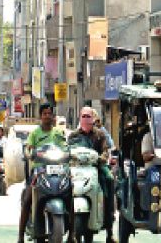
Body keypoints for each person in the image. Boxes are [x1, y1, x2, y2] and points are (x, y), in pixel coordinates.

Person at [17, 103, 68, 243]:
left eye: (49, 113)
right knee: (27, 199)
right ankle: (20, 235)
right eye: (44, 113)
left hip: (58, 170)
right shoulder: (35, 133)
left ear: (52, 116)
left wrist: (68, 153)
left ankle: (72, 233)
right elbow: (28, 148)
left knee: (71, 192)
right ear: (41, 116)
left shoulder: (58, 133)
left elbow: (65, 147)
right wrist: (30, 153)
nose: (47, 116)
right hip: (39, 170)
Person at [69, 106, 115, 243]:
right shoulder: (73, 136)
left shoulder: (100, 135)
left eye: (88, 116)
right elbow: (67, 150)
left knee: (109, 179)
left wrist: (101, 158)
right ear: (79, 118)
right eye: (83, 116)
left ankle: (110, 230)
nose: (86, 119)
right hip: (77, 169)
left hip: (96, 168)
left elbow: (105, 152)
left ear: (93, 118)